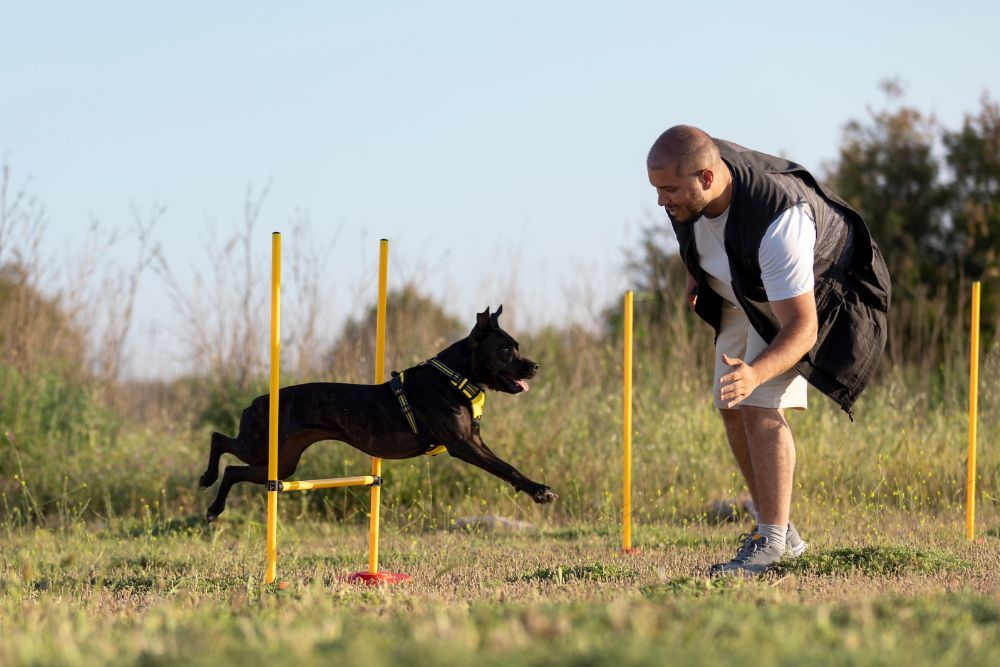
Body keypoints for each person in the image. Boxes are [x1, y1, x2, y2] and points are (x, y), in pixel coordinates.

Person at [646, 126, 890, 575]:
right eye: (656, 189)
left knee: (757, 400)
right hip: (745, 284)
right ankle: (775, 531)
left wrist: (757, 372)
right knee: (730, 401)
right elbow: (701, 230)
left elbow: (801, 328)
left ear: (706, 177)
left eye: (669, 190)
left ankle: (773, 544)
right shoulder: (689, 184)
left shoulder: (779, 224)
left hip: (804, 295)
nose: (662, 201)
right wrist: (697, 272)